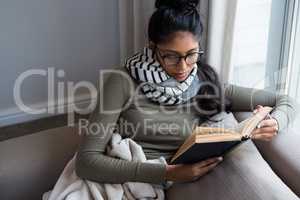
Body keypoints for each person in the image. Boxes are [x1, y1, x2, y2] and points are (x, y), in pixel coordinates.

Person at [75, 0, 298, 196]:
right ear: (153, 47)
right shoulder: (121, 80)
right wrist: (167, 172)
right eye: (171, 56)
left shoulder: (204, 81)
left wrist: (276, 122)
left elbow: (285, 100)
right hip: (135, 179)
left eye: (191, 54)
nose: (183, 67)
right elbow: (86, 162)